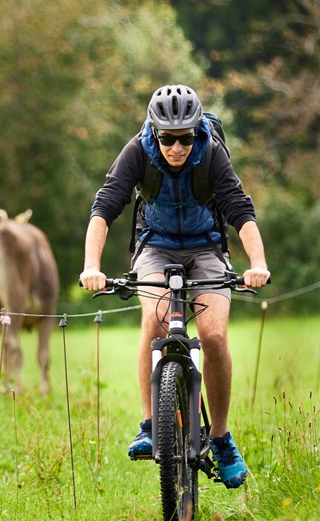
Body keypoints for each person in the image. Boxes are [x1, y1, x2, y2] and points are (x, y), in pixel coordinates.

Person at [79, 85, 270, 488]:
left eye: (185, 137)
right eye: (167, 138)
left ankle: (220, 437)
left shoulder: (211, 152)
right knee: (155, 320)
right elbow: (104, 208)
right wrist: (91, 266)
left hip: (207, 249)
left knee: (215, 336)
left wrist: (258, 264)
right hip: (156, 248)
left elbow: (239, 209)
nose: (177, 147)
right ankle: (150, 424)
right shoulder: (136, 151)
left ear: (196, 130)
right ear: (154, 131)